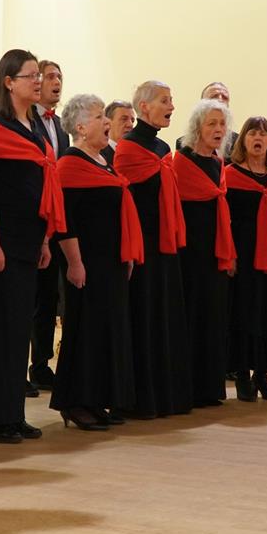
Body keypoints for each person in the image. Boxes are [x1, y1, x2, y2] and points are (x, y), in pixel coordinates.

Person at [0, 49, 66, 443]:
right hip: (2, 241)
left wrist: (44, 238)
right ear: (9, 82)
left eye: (39, 75)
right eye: (31, 76)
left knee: (17, 330)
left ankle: (10, 412)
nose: (38, 81)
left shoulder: (33, 127)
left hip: (28, 240)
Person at [51, 94, 142, 430]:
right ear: (80, 127)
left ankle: (99, 398)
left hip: (110, 261)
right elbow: (66, 222)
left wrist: (126, 253)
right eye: (100, 116)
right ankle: (76, 402)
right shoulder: (69, 164)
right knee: (85, 331)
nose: (107, 122)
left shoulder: (104, 160)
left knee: (107, 330)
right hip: (86, 261)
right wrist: (75, 263)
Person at [113, 80, 193, 418]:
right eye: (164, 100)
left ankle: (166, 395)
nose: (171, 106)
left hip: (165, 243)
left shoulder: (162, 147)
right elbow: (124, 202)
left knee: (164, 314)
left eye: (171, 100)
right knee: (143, 315)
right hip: (142, 244)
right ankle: (141, 398)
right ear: (143, 107)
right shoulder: (127, 148)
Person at [224, 117, 267, 402]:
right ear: (244, 139)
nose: (258, 138)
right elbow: (224, 220)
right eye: (253, 133)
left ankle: (262, 375)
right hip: (244, 253)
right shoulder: (230, 175)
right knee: (244, 313)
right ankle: (242, 374)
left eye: (264, 134)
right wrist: (229, 255)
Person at [173, 99, 236, 407]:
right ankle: (187, 388)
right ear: (197, 127)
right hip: (189, 252)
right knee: (191, 318)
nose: (218, 129)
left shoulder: (218, 163)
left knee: (213, 318)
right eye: (212, 123)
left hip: (215, 251)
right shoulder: (180, 161)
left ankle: (210, 388)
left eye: (222, 124)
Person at [30, 59, 70, 394]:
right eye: (51, 76)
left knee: (48, 296)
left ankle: (41, 364)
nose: (57, 82)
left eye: (60, 76)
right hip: (34, 219)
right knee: (31, 297)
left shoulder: (59, 125)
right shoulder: (27, 120)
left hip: (56, 220)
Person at [176, 83, 238, 158]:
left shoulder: (238, 142)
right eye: (214, 96)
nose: (220, 100)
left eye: (224, 97)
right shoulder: (185, 144)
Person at [102, 100, 135, 164]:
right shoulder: (98, 155)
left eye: (132, 120)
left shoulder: (136, 154)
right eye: (124, 119)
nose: (130, 125)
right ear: (108, 123)